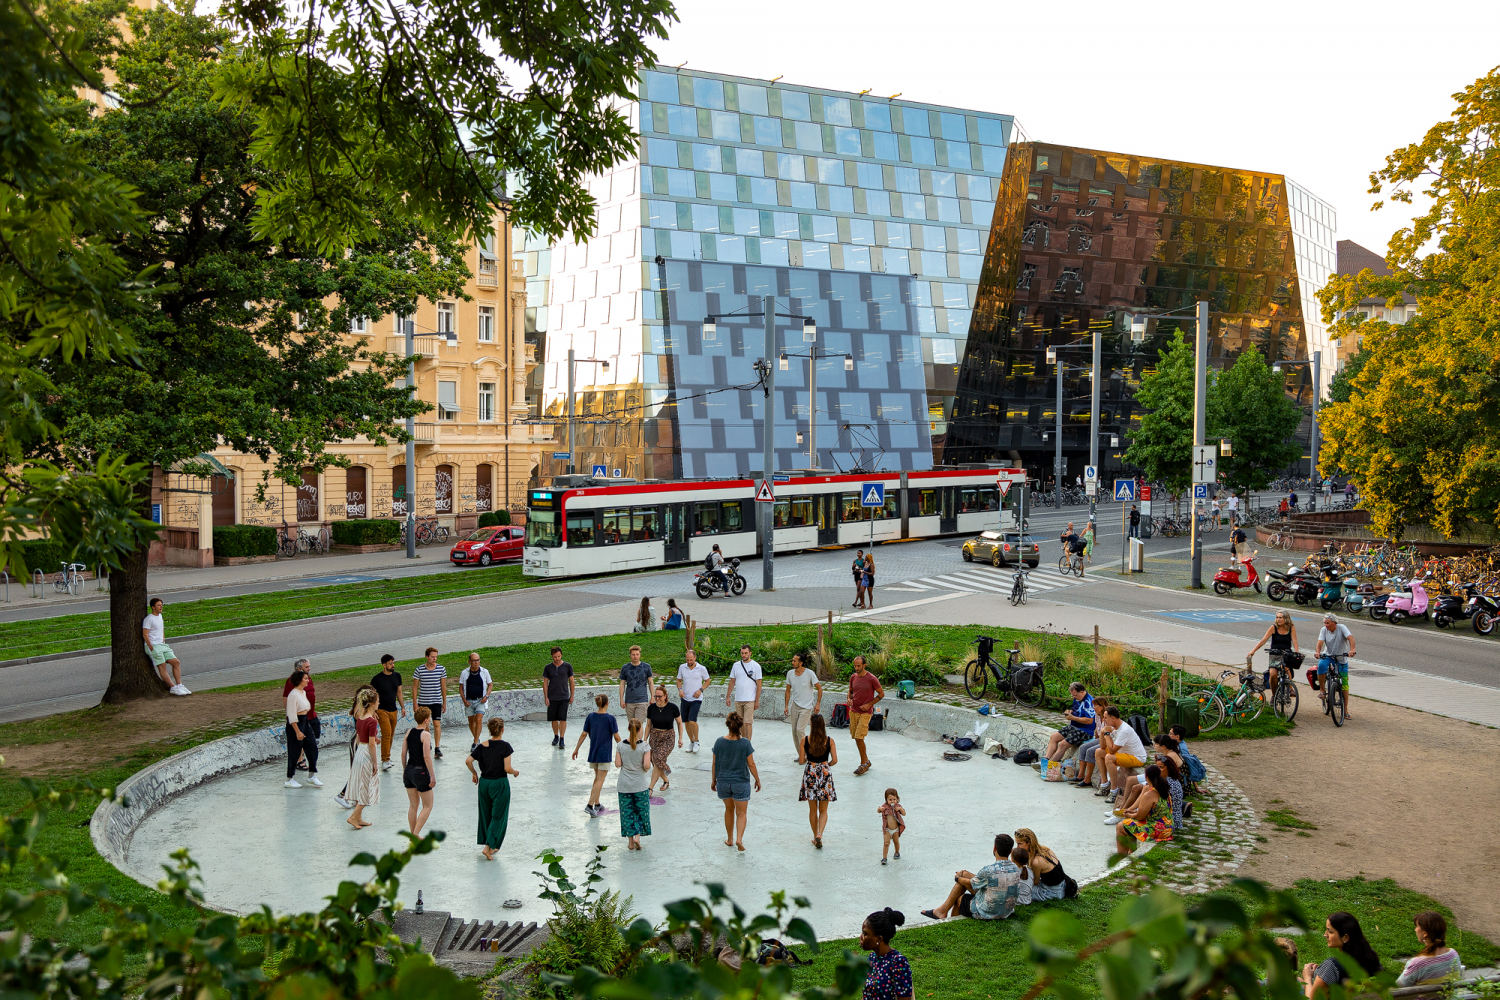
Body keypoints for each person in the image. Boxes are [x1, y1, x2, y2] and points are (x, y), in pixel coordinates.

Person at [920, 834, 1020, 921]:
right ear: (1011, 851)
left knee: (961, 898)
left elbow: (970, 884)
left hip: (990, 911)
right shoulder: (1015, 868)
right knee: (965, 875)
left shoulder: (988, 870)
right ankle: (941, 911)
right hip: (1006, 909)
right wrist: (963, 874)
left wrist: (958, 878)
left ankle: (948, 919)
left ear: (994, 848)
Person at [465, 717, 518, 860]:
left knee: (486, 814)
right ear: (502, 730)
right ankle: (488, 846)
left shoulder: (482, 746)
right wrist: (515, 772)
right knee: (498, 816)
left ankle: (490, 845)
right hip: (499, 783)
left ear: (489, 730)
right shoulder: (505, 746)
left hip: (484, 783)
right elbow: (507, 768)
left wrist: (474, 773)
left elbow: (468, 761)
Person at [710, 711, 760, 851]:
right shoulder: (745, 743)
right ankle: (739, 839)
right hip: (741, 782)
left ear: (728, 725)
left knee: (729, 809)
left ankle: (730, 839)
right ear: (740, 726)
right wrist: (757, 779)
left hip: (723, 782)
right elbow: (751, 764)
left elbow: (714, 763)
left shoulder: (719, 742)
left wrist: (714, 780)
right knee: (741, 813)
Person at [1302, 912, 1382, 997]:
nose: (1325, 935)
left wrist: (1308, 977)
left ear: (1345, 938)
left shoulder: (1331, 967)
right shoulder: (1370, 956)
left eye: (1330, 932)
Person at [573, 693, 620, 817]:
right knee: (600, 780)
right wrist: (624, 748)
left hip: (593, 752)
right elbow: (616, 737)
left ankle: (597, 803)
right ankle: (589, 805)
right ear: (607, 703)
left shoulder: (590, 716)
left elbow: (584, 734)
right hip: (604, 753)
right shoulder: (610, 719)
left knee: (597, 778)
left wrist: (576, 749)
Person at [336, 684, 378, 814]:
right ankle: (342, 795)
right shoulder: (361, 711)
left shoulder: (362, 710)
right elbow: (363, 729)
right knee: (357, 770)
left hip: (360, 740)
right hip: (358, 742)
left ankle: (356, 798)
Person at [1114, 764, 1173, 854]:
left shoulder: (1149, 794)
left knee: (1121, 826)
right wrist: (1133, 812)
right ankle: (1131, 851)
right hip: (1168, 827)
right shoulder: (1164, 789)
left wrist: (1127, 814)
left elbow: (1140, 817)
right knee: (1131, 823)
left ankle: (1121, 856)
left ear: (1146, 777)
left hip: (1158, 831)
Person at [798, 713, 837, 848]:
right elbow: (835, 760)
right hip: (825, 773)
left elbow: (801, 761)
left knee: (812, 809)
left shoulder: (805, 740)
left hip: (810, 773)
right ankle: (820, 833)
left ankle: (815, 836)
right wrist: (826, 766)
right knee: (824, 810)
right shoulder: (830, 740)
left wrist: (811, 762)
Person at [614, 717, 652, 850]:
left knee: (627, 813)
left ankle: (630, 842)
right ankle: (637, 837)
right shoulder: (645, 746)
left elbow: (618, 764)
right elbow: (647, 766)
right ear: (640, 730)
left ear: (628, 729)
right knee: (641, 811)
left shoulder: (620, 745)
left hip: (624, 785)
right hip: (640, 785)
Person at [1396, 911, 1461, 988]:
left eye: (1416, 926)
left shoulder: (1418, 964)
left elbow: (1396, 989)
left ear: (1425, 934)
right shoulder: (1453, 955)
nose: (1415, 930)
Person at [1094, 706, 1147, 802]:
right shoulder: (1113, 727)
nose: (1103, 720)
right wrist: (1103, 732)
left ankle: (1114, 790)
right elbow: (1102, 746)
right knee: (1099, 752)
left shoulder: (1124, 730)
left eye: (1106, 718)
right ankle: (1104, 784)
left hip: (1137, 758)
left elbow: (1112, 750)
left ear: (1113, 718)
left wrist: (1106, 734)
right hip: (1123, 753)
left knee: (1109, 757)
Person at [859, 908, 913, 1000]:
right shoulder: (872, 958)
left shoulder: (898, 962)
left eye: (865, 933)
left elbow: (904, 997)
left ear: (878, 939)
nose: (861, 937)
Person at [344, 690, 380, 829]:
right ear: (371, 703)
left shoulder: (360, 718)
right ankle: (353, 817)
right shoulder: (372, 721)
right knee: (367, 788)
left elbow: (359, 739)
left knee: (362, 786)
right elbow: (371, 744)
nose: (378, 703)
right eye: (377, 701)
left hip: (360, 752)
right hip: (366, 754)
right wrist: (375, 762)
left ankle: (358, 818)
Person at [142, 598, 189, 695]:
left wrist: (163, 638)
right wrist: (151, 647)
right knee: (162, 666)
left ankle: (179, 685)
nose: (161, 607)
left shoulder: (160, 616)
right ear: (153, 607)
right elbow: (145, 635)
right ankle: (173, 687)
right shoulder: (148, 619)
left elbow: (161, 628)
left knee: (176, 662)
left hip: (162, 645)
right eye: (159, 605)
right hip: (153, 646)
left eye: (161, 605)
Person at [283, 668, 321, 788]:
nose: (308, 681)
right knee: (294, 751)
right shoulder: (293, 695)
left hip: (305, 721)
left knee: (312, 748)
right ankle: (290, 778)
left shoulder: (303, 693)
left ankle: (311, 775)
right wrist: (297, 731)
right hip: (296, 724)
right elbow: (291, 715)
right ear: (299, 680)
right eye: (305, 679)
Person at [401, 706, 436, 836]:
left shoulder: (409, 732)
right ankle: (415, 835)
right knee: (427, 806)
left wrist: (405, 770)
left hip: (409, 771)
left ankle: (412, 834)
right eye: (430, 718)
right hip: (420, 772)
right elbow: (426, 757)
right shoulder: (426, 735)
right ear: (426, 720)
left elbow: (403, 753)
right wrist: (432, 775)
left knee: (413, 806)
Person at [783, 652, 823, 763]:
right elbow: (787, 690)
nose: (792, 662)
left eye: (794, 661)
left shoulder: (810, 673)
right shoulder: (790, 673)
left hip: (806, 706)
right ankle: (801, 754)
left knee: (800, 729)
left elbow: (819, 689)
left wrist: (818, 703)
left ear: (801, 663)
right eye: (792, 660)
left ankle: (809, 753)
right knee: (794, 731)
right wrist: (786, 705)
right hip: (795, 705)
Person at [847, 655, 884, 776]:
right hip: (854, 711)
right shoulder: (853, 677)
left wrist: (869, 705)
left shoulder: (872, 678)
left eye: (858, 666)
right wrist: (849, 699)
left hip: (865, 712)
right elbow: (850, 692)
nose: (856, 668)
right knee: (857, 738)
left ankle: (863, 764)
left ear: (864, 665)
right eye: (855, 666)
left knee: (859, 737)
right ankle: (867, 761)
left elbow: (881, 694)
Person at [1315, 613, 1357, 718]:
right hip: (1328, 655)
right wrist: (1318, 652)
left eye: (1328, 623)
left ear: (1334, 623)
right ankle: (1322, 690)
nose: (1326, 625)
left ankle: (1345, 710)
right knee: (1321, 666)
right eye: (1325, 623)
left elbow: (1350, 638)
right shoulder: (1323, 630)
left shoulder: (1342, 628)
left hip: (1341, 657)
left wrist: (1352, 650)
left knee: (1345, 684)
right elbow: (1320, 642)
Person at [1247, 610, 1298, 693]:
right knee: (1273, 675)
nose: (1278, 619)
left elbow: (1295, 641)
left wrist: (1296, 652)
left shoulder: (1291, 628)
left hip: (1286, 654)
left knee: (1286, 668)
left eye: (1280, 617)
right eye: (1277, 617)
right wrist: (1253, 651)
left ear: (1286, 618)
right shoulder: (1273, 628)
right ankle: (1274, 695)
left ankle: (1290, 688)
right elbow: (1263, 640)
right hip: (1274, 654)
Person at [370, 654, 405, 770]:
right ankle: (384, 760)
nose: (392, 665)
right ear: (384, 665)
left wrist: (402, 707)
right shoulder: (376, 679)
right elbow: (372, 695)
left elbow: (399, 693)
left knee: (390, 735)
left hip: (393, 710)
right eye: (390, 663)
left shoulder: (397, 676)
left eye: (393, 663)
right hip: (381, 710)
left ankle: (387, 758)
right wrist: (373, 711)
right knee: (386, 734)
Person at [1013, 828, 1068, 901]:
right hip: (1062, 886)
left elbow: (1035, 882)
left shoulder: (1036, 862)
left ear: (1029, 842)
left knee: (1020, 891)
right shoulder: (1045, 849)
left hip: (1052, 893)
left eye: (1020, 844)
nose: (1017, 847)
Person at [1045, 681, 1095, 762]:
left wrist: (1073, 718)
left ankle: (1050, 765)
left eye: (1075, 695)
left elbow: (1089, 721)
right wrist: (1070, 712)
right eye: (1072, 696)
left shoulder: (1090, 702)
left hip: (1085, 730)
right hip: (1074, 726)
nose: (1074, 698)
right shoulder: (1077, 699)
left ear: (1081, 692)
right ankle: (1045, 760)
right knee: (1054, 737)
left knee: (1062, 744)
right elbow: (1075, 711)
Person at [413, 647, 448, 758]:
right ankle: (428, 743)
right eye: (432, 657)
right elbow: (415, 687)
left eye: (436, 657)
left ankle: (437, 747)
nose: (434, 659)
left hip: (436, 701)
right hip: (424, 701)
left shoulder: (441, 669)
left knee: (437, 723)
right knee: (425, 724)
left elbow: (443, 686)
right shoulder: (419, 669)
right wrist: (415, 703)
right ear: (427, 657)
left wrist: (444, 702)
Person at [645, 684, 680, 792]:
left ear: (665, 696)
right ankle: (666, 780)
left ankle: (650, 788)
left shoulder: (673, 707)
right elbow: (648, 725)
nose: (657, 698)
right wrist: (644, 739)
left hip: (668, 737)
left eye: (660, 696)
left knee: (659, 759)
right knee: (655, 761)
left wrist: (681, 738)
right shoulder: (651, 708)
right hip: (654, 736)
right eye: (656, 696)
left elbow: (679, 723)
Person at [676, 647, 711, 753]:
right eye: (687, 660)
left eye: (691, 660)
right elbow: (678, 680)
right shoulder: (682, 667)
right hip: (685, 698)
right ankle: (691, 741)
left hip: (696, 698)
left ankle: (697, 741)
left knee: (692, 720)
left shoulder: (701, 668)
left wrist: (700, 690)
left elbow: (708, 681)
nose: (689, 662)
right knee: (686, 721)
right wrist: (680, 689)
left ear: (695, 658)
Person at [725, 644, 763, 739]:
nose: (743, 655)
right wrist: (728, 696)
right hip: (738, 699)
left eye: (746, 653)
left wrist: (757, 700)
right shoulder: (736, 665)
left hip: (750, 699)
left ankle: (747, 743)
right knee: (739, 723)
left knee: (748, 722)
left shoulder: (756, 666)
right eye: (742, 653)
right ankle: (742, 741)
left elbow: (759, 684)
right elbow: (732, 681)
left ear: (750, 653)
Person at [543, 646, 576, 748]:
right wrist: (546, 697)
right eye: (554, 657)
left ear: (561, 655)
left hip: (563, 696)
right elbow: (545, 683)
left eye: (558, 656)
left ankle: (562, 738)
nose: (557, 659)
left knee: (563, 719)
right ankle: (556, 736)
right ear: (552, 656)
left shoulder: (567, 666)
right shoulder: (548, 668)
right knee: (553, 719)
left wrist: (572, 695)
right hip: (552, 697)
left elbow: (571, 681)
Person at [458, 652, 492, 750]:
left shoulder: (484, 672)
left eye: (478, 660)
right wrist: (464, 700)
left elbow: (490, 684)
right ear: (469, 661)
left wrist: (486, 696)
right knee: (471, 721)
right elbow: (461, 687)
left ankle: (475, 743)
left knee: (478, 720)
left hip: (480, 700)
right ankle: (477, 738)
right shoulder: (464, 673)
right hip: (469, 700)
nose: (476, 663)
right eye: (474, 660)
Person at [619, 645, 653, 730]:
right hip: (629, 700)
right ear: (630, 655)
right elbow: (622, 684)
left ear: (640, 654)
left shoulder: (646, 667)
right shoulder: (625, 667)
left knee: (639, 724)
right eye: (633, 654)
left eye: (637, 654)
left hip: (642, 700)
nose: (635, 656)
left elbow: (651, 682)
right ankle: (633, 741)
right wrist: (621, 699)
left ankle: (638, 742)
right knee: (632, 725)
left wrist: (653, 697)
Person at [877, 788, 906, 865]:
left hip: (895, 829)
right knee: (886, 843)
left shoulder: (897, 806)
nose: (892, 801)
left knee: (896, 841)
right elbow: (878, 810)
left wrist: (900, 809)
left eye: (894, 799)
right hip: (887, 829)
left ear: (897, 798)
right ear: (886, 799)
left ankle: (897, 852)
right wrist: (880, 809)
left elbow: (904, 813)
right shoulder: (885, 806)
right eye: (890, 799)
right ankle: (884, 857)